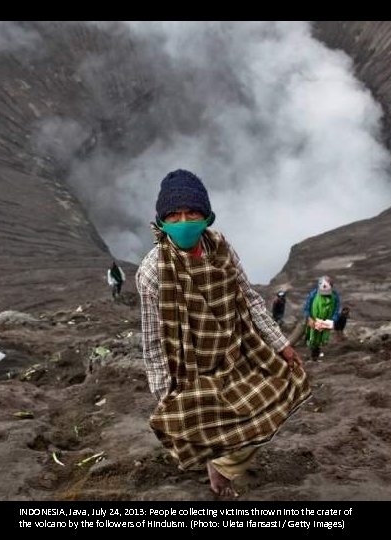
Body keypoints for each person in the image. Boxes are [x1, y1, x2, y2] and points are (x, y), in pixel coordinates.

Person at [135, 169, 311, 498]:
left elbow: (249, 298)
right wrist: (163, 393)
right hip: (191, 364)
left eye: (192, 213)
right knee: (205, 425)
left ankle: (223, 465)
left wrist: (281, 344)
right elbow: (153, 341)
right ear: (161, 222)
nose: (183, 221)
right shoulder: (152, 273)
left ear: (206, 216)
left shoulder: (220, 248)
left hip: (237, 346)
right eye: (174, 215)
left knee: (277, 394)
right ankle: (219, 472)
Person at [302, 275, 342, 360]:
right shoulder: (313, 294)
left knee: (322, 338)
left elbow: (336, 309)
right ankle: (314, 353)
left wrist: (332, 320)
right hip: (314, 320)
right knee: (313, 338)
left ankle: (317, 352)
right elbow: (307, 307)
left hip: (326, 321)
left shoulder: (334, 296)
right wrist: (309, 318)